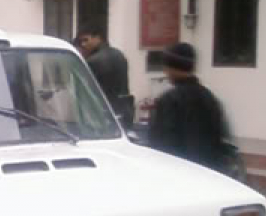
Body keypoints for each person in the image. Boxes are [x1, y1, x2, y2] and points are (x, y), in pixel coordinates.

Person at [148, 42, 226, 171]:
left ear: (172, 68)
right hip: (209, 173)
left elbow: (161, 146)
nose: (165, 72)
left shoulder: (169, 100)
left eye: (166, 67)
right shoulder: (209, 97)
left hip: (180, 174)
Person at [76, 23, 134, 125]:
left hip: (104, 113)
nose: (83, 44)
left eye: (86, 40)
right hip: (125, 109)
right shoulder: (119, 54)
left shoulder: (93, 61)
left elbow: (86, 94)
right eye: (81, 41)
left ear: (97, 38)